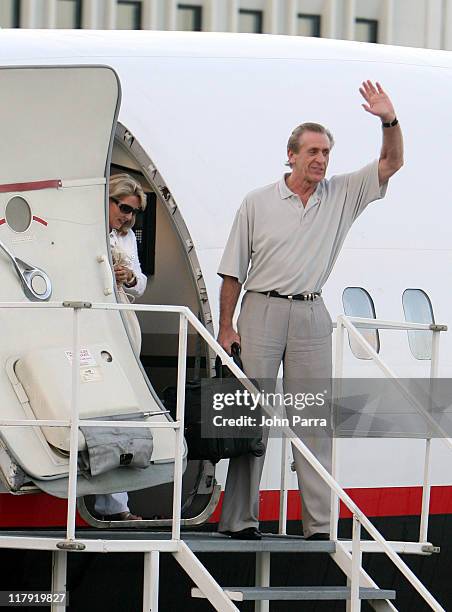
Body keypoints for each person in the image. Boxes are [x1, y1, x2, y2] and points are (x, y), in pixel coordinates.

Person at [216, 81, 404, 540]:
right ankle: (239, 520)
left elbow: (391, 162)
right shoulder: (257, 201)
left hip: (311, 313)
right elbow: (232, 272)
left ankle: (319, 525)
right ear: (292, 155)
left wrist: (388, 119)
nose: (320, 160)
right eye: (313, 152)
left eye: (326, 153)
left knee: (313, 421)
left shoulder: (341, 194)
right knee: (248, 420)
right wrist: (226, 325)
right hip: (260, 309)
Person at [94, 172, 147, 522]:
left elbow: (141, 284)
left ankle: (116, 506)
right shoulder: (90, 229)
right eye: (124, 208)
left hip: (119, 327)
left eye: (134, 212)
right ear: (109, 200)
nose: (128, 217)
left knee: (120, 408)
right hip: (91, 327)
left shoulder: (127, 239)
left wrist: (129, 277)